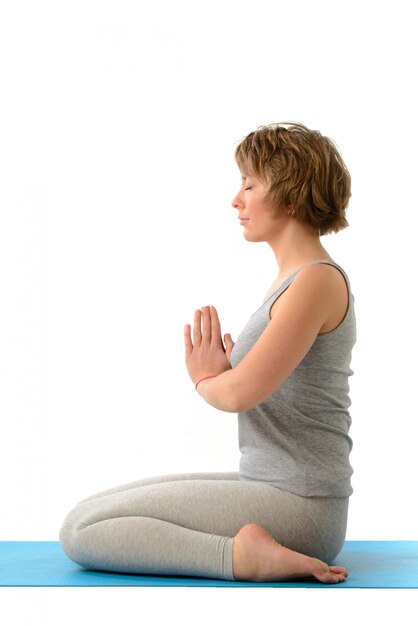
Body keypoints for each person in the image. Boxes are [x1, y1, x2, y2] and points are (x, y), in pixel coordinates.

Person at [60, 122, 356, 584]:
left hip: (302, 507)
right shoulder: (294, 281)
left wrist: (207, 378)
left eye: (250, 185)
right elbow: (265, 387)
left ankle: (243, 559)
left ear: (292, 195)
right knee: (86, 512)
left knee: (81, 533)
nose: (237, 200)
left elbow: (239, 394)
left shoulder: (315, 281)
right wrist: (231, 371)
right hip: (273, 488)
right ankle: (246, 551)